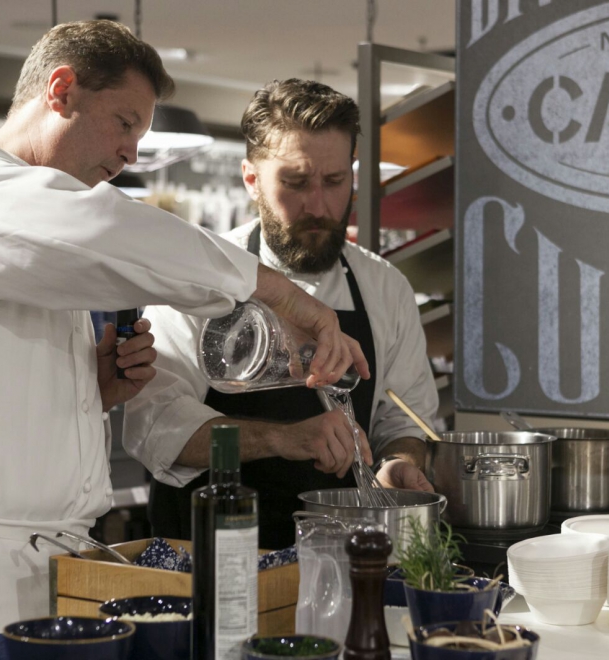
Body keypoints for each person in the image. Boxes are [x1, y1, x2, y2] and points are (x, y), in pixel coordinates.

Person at [0, 24, 367, 659]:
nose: (129, 154)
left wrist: (89, 394)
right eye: (124, 123)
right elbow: (106, 229)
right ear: (60, 90)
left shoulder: (22, 221)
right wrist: (283, 295)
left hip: (49, 571)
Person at [124, 79, 439, 550]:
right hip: (206, 556)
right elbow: (154, 425)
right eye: (294, 183)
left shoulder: (384, 287)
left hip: (338, 559)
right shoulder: (197, 277)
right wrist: (283, 439)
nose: (318, 206)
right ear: (251, 179)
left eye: (335, 182)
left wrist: (395, 462)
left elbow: (404, 422)